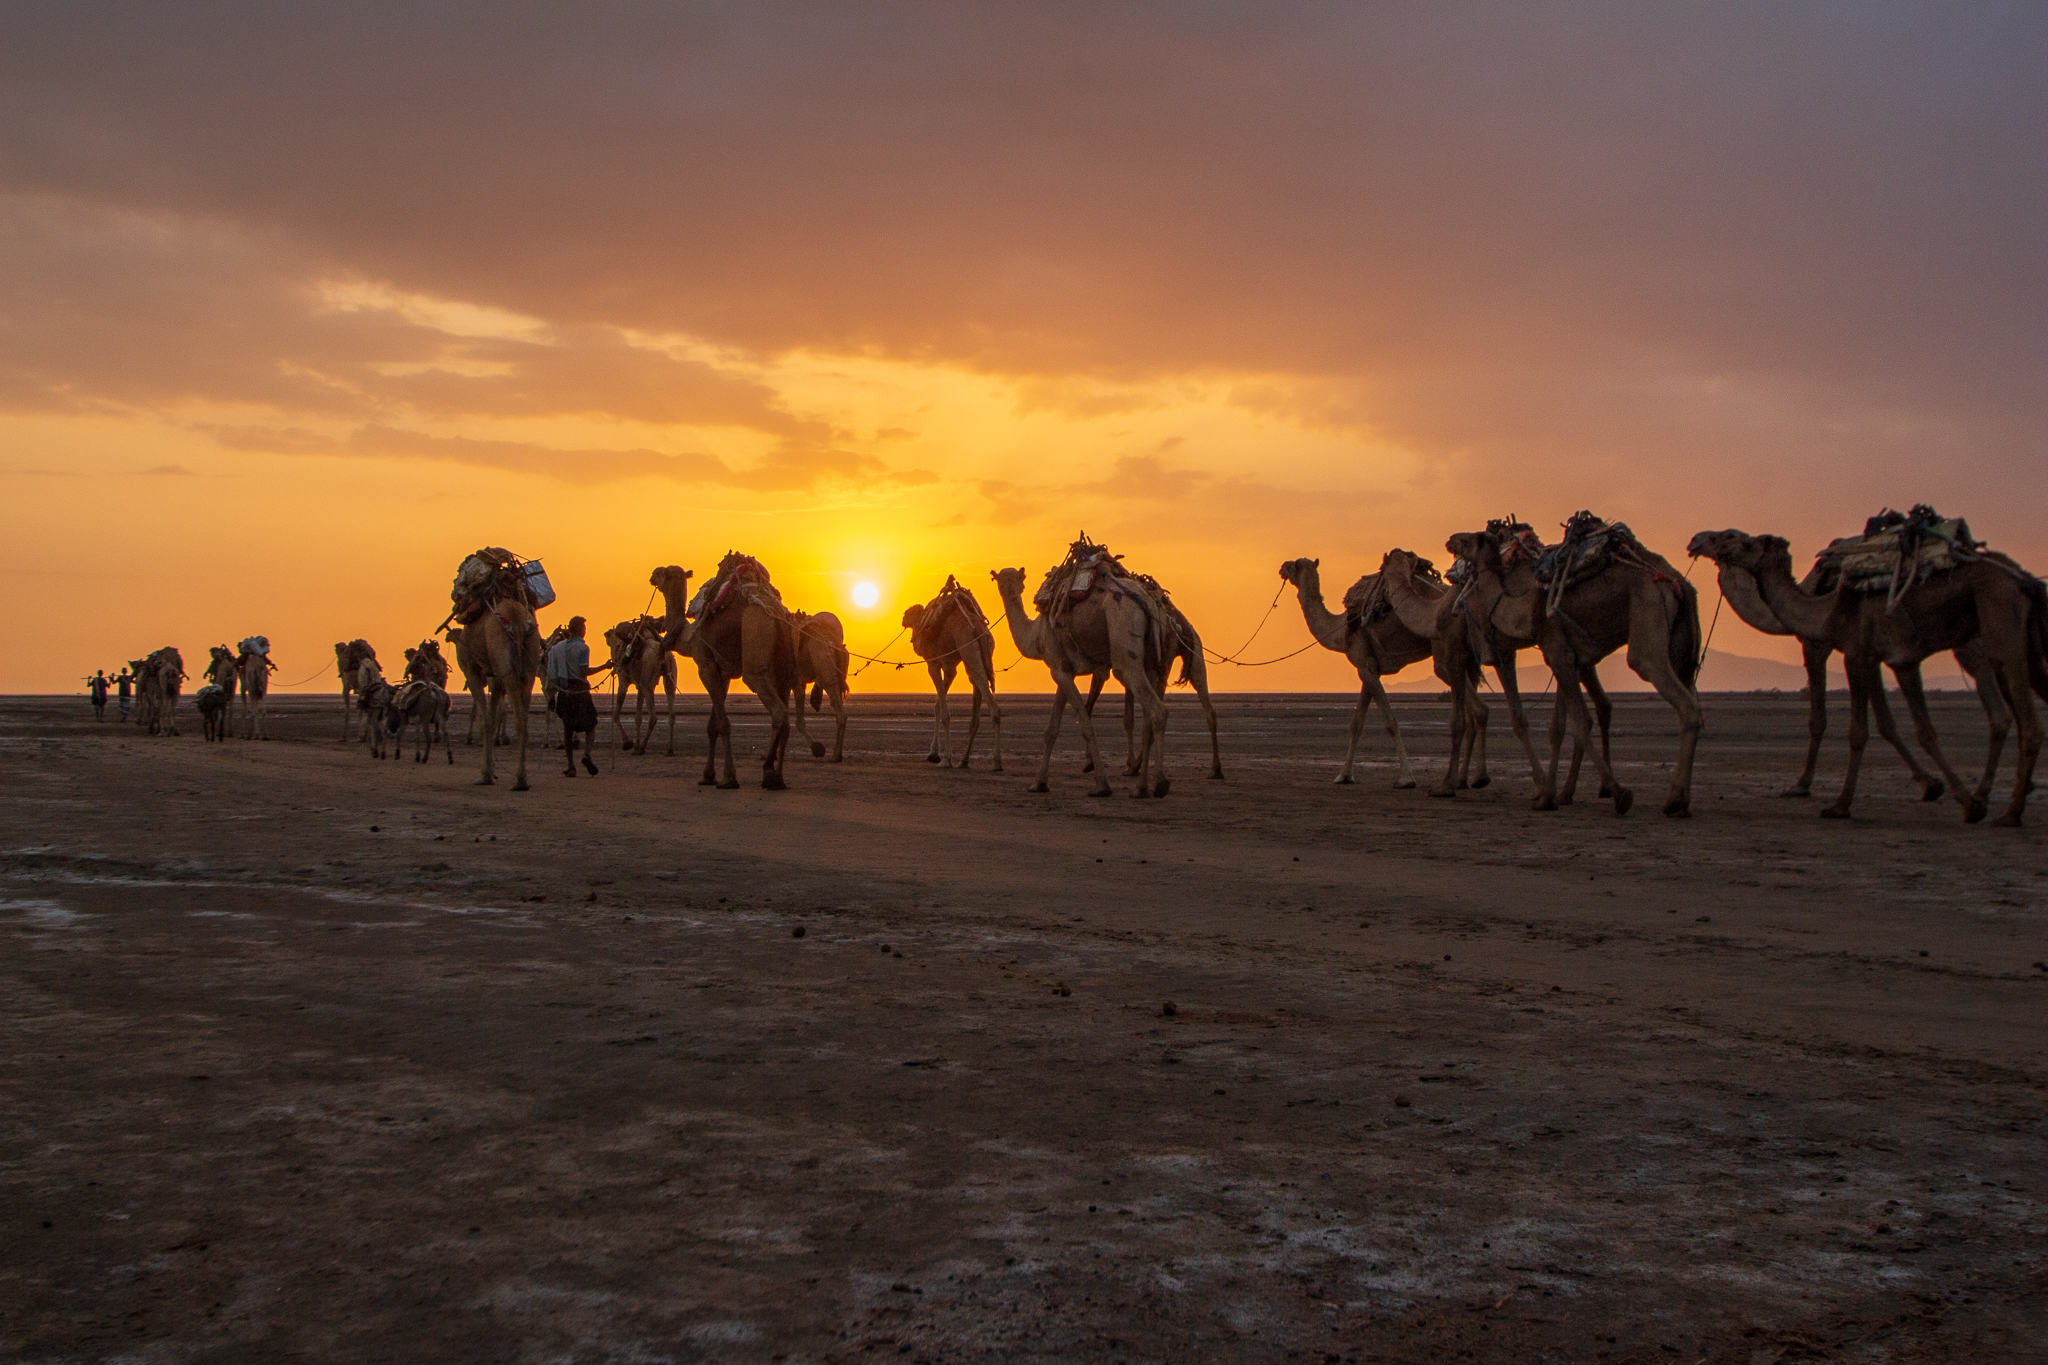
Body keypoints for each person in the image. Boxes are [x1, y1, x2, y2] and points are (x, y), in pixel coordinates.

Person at [544, 616, 612, 776]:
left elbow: (552, 672)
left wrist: (551, 695)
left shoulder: (558, 648)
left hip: (564, 692)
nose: (585, 631)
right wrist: (605, 666)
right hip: (580, 691)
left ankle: (571, 766)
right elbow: (583, 671)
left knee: (567, 729)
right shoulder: (583, 648)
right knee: (591, 725)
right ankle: (586, 755)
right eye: (584, 628)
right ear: (580, 630)